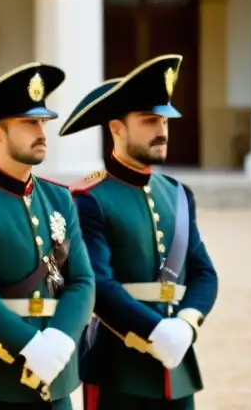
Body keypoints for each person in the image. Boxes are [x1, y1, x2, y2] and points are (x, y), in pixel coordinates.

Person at [59, 54, 218, 410]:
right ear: (116, 128)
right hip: (118, 365)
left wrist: (186, 325)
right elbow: (97, 283)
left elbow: (204, 271)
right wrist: (156, 331)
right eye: (149, 120)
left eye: (164, 119)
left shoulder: (178, 193)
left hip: (176, 369)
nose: (161, 129)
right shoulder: (88, 199)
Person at [0, 62, 95, 410]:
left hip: (58, 373)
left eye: (42, 122)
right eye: (29, 123)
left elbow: (82, 280)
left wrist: (59, 339)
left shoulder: (59, 198)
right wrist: (31, 346)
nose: (41, 132)